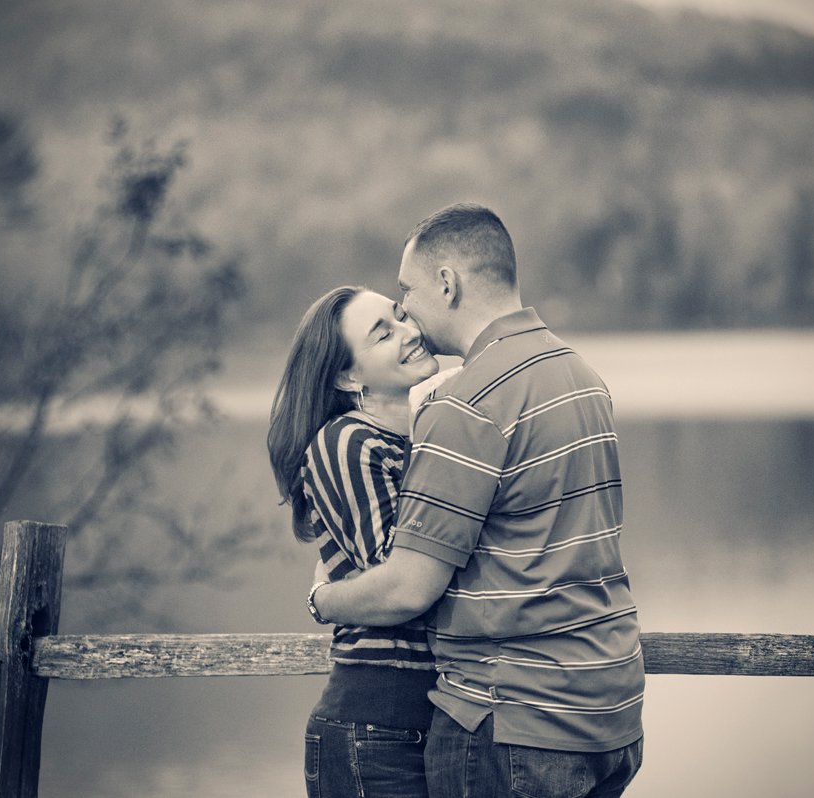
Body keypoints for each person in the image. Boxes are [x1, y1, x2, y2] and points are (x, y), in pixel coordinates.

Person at [310, 204, 645, 797]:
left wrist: (324, 597)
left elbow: (411, 587)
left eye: (407, 292)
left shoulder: (466, 404)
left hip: (515, 722)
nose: (407, 310)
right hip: (612, 713)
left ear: (447, 282)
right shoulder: (584, 378)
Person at [268, 285, 449, 798]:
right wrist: (322, 602)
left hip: (437, 718)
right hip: (375, 727)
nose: (411, 332)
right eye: (383, 333)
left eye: (401, 316)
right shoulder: (348, 439)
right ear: (348, 376)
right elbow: (403, 582)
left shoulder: (427, 435)